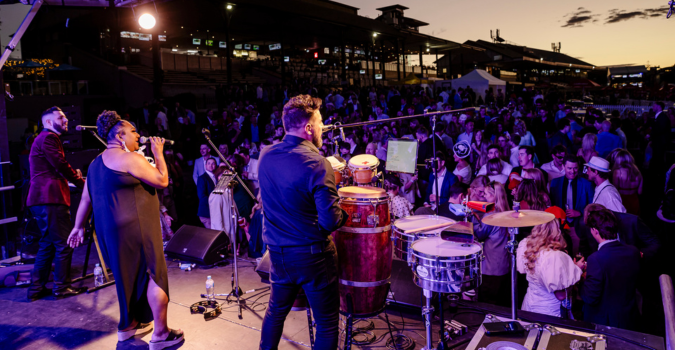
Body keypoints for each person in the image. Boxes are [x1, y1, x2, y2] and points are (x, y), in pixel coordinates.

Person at [67, 111, 183, 348]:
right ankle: (161, 333)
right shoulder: (129, 158)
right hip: (137, 228)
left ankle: (128, 326)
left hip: (111, 234)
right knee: (154, 274)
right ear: (119, 136)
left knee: (126, 277)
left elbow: (86, 199)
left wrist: (78, 227)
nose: (138, 135)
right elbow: (162, 180)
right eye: (133, 131)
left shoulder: (95, 163)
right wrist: (158, 153)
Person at [258, 95, 348, 350]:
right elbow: (330, 221)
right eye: (319, 122)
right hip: (313, 257)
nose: (322, 128)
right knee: (327, 323)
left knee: (275, 313)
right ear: (308, 128)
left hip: (277, 254)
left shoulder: (266, 155)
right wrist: (343, 214)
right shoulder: (317, 163)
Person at [26, 106, 86, 302]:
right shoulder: (49, 138)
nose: (66, 120)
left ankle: (35, 290)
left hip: (41, 199)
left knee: (47, 244)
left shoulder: (43, 139)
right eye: (61, 118)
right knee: (63, 245)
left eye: (65, 117)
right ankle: (61, 288)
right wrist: (81, 183)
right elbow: (59, 164)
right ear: (48, 122)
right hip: (49, 198)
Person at [579, 209, 640, 330]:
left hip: (605, 322)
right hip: (629, 317)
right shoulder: (634, 251)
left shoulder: (595, 259)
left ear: (595, 231)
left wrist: (580, 278)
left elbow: (590, 297)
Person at [516, 220, 583, 317]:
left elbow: (522, 270)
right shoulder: (554, 257)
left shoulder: (527, 246)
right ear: (556, 232)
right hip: (548, 312)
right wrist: (577, 270)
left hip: (530, 306)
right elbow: (561, 295)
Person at [473, 181, 511, 306]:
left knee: (487, 305)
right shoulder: (507, 212)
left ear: (496, 196)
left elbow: (479, 234)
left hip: (490, 269)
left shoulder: (491, 215)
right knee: (500, 305)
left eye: (487, 194)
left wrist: (472, 216)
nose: (484, 197)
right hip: (504, 267)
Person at [611, 149, 642, 215]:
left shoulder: (617, 172)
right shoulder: (638, 172)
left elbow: (615, 191)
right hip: (634, 201)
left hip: (622, 201)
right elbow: (640, 192)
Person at [197, 157, 218, 228]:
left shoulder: (216, 177)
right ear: (205, 166)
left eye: (213, 163)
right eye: (208, 163)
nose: (211, 165)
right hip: (206, 212)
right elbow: (202, 196)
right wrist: (214, 205)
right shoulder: (202, 178)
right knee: (212, 234)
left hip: (214, 212)